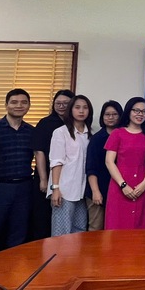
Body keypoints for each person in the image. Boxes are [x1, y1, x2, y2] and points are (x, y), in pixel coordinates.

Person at [0, 88, 35, 256]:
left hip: (24, 186)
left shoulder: (31, 131)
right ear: (6, 105)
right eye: (14, 102)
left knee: (19, 232)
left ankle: (12, 270)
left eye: (24, 102)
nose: (19, 106)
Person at [29, 89, 74, 240]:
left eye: (66, 104)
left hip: (68, 179)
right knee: (43, 220)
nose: (61, 106)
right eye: (58, 103)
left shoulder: (76, 125)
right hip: (47, 176)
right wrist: (43, 178)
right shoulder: (46, 123)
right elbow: (39, 152)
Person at [105, 97, 145, 229]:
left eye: (144, 111)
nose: (140, 114)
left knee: (138, 225)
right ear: (128, 112)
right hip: (119, 185)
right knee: (117, 226)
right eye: (136, 111)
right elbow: (109, 161)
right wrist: (123, 185)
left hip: (141, 186)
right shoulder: (117, 133)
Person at [48, 95, 93, 236]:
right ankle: (59, 258)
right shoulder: (61, 132)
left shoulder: (90, 134)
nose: (81, 111)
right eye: (77, 107)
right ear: (71, 110)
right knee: (61, 232)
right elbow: (56, 161)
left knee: (79, 230)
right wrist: (55, 189)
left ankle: (74, 259)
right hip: (64, 190)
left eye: (85, 108)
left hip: (81, 190)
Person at [85, 100, 123, 231]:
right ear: (102, 117)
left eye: (114, 114)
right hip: (99, 191)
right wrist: (96, 192)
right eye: (107, 114)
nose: (110, 117)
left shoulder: (125, 136)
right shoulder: (97, 139)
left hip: (120, 191)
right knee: (96, 229)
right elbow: (91, 168)